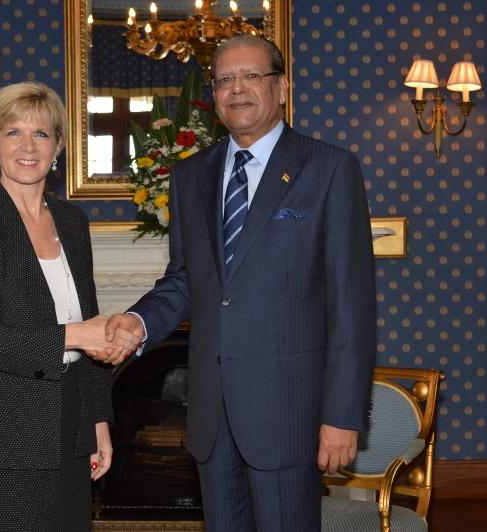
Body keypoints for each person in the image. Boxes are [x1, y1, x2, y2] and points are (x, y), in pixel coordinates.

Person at [101, 35, 377, 532]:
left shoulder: (330, 169)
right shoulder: (190, 177)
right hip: (210, 416)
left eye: (252, 75)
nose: (237, 89)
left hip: (289, 413)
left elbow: (350, 306)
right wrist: (137, 322)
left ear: (283, 87)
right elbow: (187, 280)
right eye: (225, 79)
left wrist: (343, 416)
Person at [0, 80, 140, 531]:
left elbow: (87, 326)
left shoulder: (72, 221)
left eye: (41, 134)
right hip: (5, 437)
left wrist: (98, 422)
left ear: (59, 147)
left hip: (72, 429)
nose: (28, 146)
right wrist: (77, 335)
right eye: (13, 133)